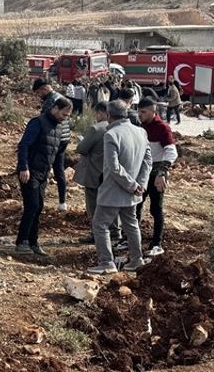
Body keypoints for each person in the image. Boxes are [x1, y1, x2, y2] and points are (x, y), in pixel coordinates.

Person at [87, 100, 152, 275]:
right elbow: (148, 161)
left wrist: (131, 185)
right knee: (131, 225)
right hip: (133, 191)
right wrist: (141, 184)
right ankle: (137, 259)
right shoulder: (141, 132)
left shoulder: (111, 134)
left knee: (100, 225)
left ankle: (106, 262)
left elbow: (114, 167)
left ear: (109, 115)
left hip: (114, 192)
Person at [16, 96, 73, 256]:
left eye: (67, 116)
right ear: (55, 108)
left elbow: (57, 154)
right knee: (32, 205)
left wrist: (57, 176)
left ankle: (33, 242)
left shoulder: (59, 128)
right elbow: (24, 145)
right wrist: (23, 167)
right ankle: (22, 242)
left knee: (39, 207)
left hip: (43, 173)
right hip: (30, 171)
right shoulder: (38, 123)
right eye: (63, 114)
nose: (65, 118)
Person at [74, 101, 120, 246]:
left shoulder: (96, 129)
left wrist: (81, 141)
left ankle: (96, 234)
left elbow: (82, 148)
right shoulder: (117, 128)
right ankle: (115, 231)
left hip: (94, 173)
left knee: (93, 206)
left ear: (101, 113)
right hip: (110, 174)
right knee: (111, 204)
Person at [136, 97, 177, 257]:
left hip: (155, 172)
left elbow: (171, 151)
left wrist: (162, 172)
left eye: (143, 112)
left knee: (156, 209)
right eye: (139, 111)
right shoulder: (140, 126)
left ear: (153, 112)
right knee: (136, 206)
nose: (140, 115)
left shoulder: (162, 128)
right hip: (142, 172)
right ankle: (132, 238)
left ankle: (157, 243)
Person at [32, 77, 71, 210]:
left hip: (55, 139)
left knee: (45, 167)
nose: (39, 95)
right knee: (59, 169)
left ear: (44, 88)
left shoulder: (51, 101)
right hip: (64, 138)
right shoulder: (60, 97)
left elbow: (45, 122)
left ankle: (39, 201)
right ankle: (62, 202)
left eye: (38, 92)